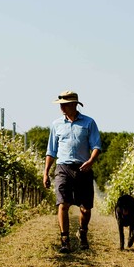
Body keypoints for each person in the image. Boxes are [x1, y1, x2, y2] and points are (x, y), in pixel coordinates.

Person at [43, 90, 101, 253]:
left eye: (65, 104)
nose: (62, 107)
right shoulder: (56, 124)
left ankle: (82, 232)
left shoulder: (89, 123)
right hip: (63, 168)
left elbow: (96, 146)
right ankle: (65, 240)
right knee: (63, 204)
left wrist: (90, 161)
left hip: (83, 168)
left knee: (85, 208)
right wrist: (46, 172)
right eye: (61, 104)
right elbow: (51, 150)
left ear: (74, 105)